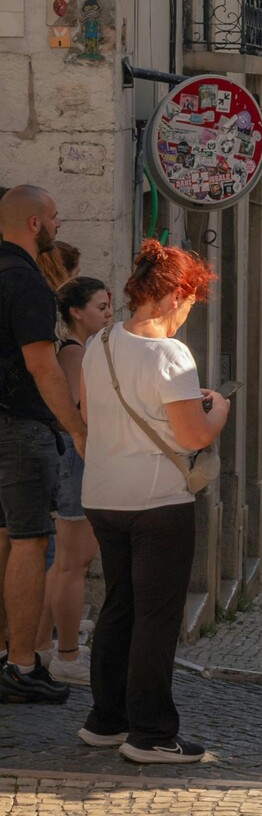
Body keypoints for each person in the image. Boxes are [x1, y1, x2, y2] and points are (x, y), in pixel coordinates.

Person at [78, 238, 229, 763]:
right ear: (172, 297)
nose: (187, 315)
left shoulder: (98, 343)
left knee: (118, 606)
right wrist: (221, 410)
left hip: (102, 493)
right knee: (156, 616)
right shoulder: (169, 352)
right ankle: (152, 733)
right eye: (189, 303)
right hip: (157, 501)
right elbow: (193, 436)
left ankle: (106, 720)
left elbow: (93, 418)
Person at [0, 186, 85, 705]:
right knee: (30, 541)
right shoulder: (25, 280)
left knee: (5, 539)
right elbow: (41, 364)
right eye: (55, 217)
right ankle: (23, 663)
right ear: (34, 224)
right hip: (20, 425)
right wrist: (74, 424)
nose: (59, 224)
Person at [35, 276, 113, 686]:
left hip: (77, 457)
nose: (109, 313)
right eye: (101, 307)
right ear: (76, 312)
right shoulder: (75, 354)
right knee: (72, 564)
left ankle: (44, 648)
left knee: (67, 563)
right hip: (76, 458)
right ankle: (65, 654)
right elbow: (74, 414)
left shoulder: (83, 351)